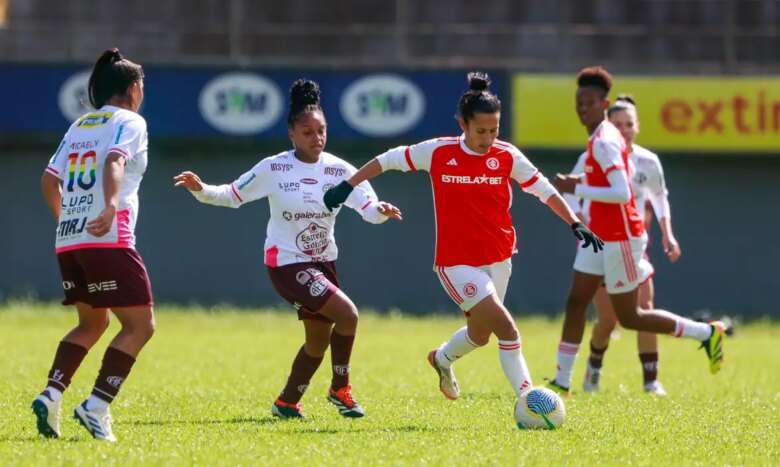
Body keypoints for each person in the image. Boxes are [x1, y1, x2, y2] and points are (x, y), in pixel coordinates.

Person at [323, 72, 602, 406]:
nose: (487, 138)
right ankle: (530, 400)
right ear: (462, 124)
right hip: (456, 263)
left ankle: (442, 358)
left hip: (500, 258)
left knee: (480, 335)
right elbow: (387, 160)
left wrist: (574, 222)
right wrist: (347, 185)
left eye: (494, 130)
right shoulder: (438, 153)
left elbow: (543, 190)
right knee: (507, 329)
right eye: (480, 131)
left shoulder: (507, 156)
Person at [173, 79, 401, 419]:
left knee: (318, 342)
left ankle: (287, 402)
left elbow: (368, 209)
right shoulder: (274, 167)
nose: (317, 138)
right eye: (307, 132)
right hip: (287, 264)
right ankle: (340, 389)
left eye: (321, 130)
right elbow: (231, 196)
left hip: (324, 265)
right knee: (348, 314)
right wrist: (200, 188)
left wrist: (380, 212)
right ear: (292, 134)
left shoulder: (340, 170)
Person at [548, 66, 725, 396]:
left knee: (630, 317)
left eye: (588, 102)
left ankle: (706, 333)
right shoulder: (597, 139)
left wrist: (576, 187)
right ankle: (561, 381)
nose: (581, 108)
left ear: (604, 103)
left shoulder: (604, 142)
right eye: (578, 102)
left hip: (621, 238)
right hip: (598, 237)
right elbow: (593, 186)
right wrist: (570, 188)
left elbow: (622, 193)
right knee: (576, 302)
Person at [34, 48, 154, 442]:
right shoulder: (131, 120)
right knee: (140, 326)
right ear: (133, 88)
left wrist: (68, 221)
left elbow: (49, 180)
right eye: (142, 85)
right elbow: (115, 160)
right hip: (108, 236)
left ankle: (52, 393)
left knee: (92, 323)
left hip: (70, 239)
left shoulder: (81, 124)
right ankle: (97, 405)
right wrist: (112, 205)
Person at [565, 95, 682, 396]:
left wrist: (668, 234)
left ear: (637, 126)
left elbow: (659, 196)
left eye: (629, 123)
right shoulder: (595, 156)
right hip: (602, 248)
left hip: (633, 245)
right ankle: (593, 367)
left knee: (645, 308)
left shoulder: (647, 161)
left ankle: (651, 381)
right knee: (609, 319)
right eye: (617, 124)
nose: (624, 129)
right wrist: (583, 228)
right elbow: (570, 196)